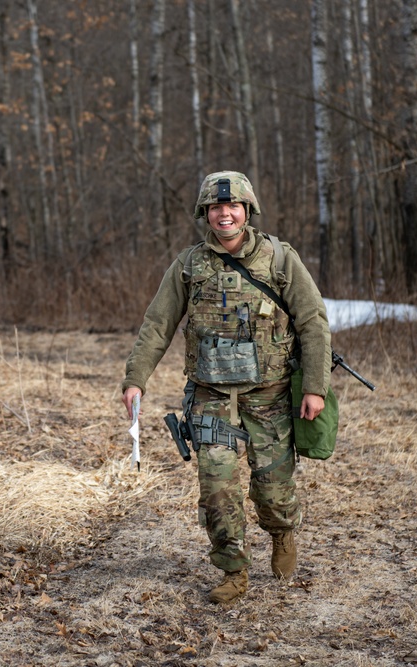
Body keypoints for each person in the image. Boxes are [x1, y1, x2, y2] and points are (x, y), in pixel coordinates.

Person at [120, 170, 331, 604]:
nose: (225, 214)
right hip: (211, 397)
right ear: (205, 213)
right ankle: (233, 570)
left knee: (273, 490)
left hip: (269, 396)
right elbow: (158, 324)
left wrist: (315, 387)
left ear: (247, 209)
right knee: (217, 486)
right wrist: (135, 379)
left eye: (233, 205)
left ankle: (282, 532)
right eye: (216, 207)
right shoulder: (188, 265)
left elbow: (313, 322)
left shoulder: (278, 259)